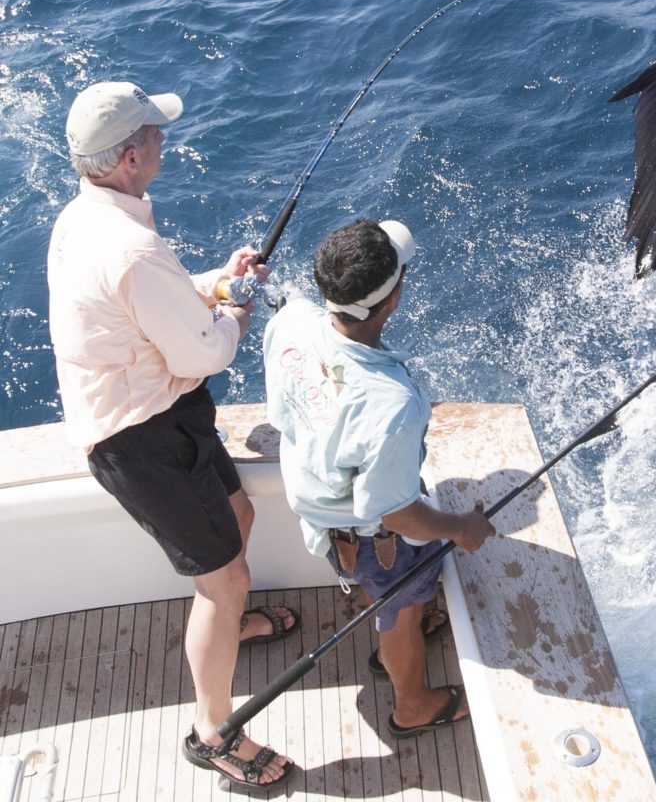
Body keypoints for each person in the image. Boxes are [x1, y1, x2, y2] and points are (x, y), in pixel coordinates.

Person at [47, 81, 298, 795]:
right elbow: (205, 356)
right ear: (131, 157)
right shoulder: (128, 246)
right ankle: (214, 731)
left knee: (240, 514)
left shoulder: (87, 217)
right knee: (223, 584)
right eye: (154, 134)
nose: (164, 139)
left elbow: (149, 302)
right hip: (141, 439)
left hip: (165, 414)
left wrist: (219, 284)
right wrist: (237, 315)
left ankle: (230, 631)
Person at [263, 218, 496, 739]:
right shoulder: (391, 405)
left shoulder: (293, 319)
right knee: (401, 607)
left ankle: (402, 622)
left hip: (321, 515)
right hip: (370, 540)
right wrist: (462, 528)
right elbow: (394, 512)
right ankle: (412, 703)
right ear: (391, 303)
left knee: (393, 597)